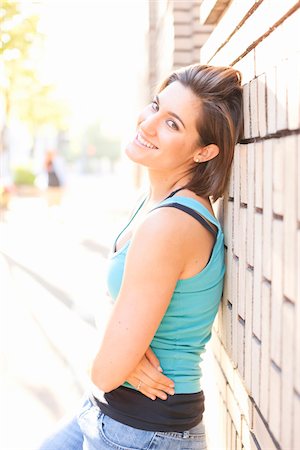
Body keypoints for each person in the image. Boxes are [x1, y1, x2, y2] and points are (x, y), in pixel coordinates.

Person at [39, 64, 243, 450]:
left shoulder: (170, 224)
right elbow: (113, 315)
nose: (148, 124)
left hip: (141, 431)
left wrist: (116, 354)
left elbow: (106, 369)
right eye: (155, 106)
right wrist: (115, 345)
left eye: (172, 124)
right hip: (108, 411)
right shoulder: (155, 203)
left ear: (205, 151)